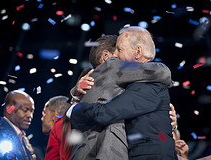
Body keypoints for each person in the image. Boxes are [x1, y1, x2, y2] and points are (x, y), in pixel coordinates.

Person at [68, 26, 177, 159]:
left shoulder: (150, 85)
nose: (115, 56)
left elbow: (108, 112)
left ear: (138, 52)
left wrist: (75, 110)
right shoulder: (131, 79)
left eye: (119, 49)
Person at [0, 90, 36, 160]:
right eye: (25, 110)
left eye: (31, 111)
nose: (30, 116)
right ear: (9, 109)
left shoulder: (22, 136)